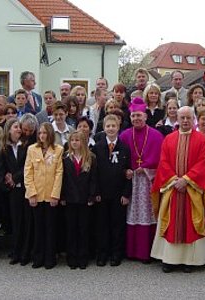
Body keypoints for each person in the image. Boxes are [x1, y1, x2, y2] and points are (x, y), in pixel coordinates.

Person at [150, 106, 205, 273]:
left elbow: (204, 162)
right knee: (171, 223)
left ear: (194, 119)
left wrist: (186, 180)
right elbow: (163, 163)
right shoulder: (168, 139)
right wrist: (175, 180)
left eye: (188, 118)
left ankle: (189, 261)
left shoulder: (202, 139)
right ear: (177, 119)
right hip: (173, 188)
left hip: (192, 190)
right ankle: (169, 260)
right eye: (182, 118)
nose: (185, 121)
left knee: (191, 223)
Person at [119, 99, 164, 263]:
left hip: (148, 182)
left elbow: (161, 161)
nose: (136, 118)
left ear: (145, 116)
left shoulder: (156, 135)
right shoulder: (124, 135)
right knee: (131, 214)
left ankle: (148, 252)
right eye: (133, 116)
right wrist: (126, 170)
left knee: (149, 214)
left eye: (139, 115)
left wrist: (144, 169)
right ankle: (131, 251)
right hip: (130, 182)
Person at [92, 115, 132, 267]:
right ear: (104, 128)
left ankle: (116, 254)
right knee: (102, 225)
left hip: (118, 194)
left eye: (113, 126)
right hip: (102, 194)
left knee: (117, 225)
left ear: (118, 127)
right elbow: (94, 173)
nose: (110, 129)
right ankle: (102, 253)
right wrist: (95, 192)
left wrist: (126, 194)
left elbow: (129, 172)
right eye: (108, 126)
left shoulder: (124, 148)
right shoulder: (97, 147)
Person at [24, 122, 64, 269]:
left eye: (45, 133)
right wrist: (31, 193)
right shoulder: (31, 149)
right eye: (40, 133)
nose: (42, 135)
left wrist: (55, 195)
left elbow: (59, 173)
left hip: (51, 195)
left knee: (50, 227)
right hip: (37, 194)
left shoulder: (58, 150)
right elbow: (28, 173)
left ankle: (50, 257)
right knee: (38, 227)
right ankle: (38, 256)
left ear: (50, 134)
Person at [0, 118, 33, 266]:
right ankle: (16, 251)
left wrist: (15, 178)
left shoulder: (27, 146)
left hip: (26, 188)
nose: (19, 129)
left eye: (19, 127)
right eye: (16, 127)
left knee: (27, 221)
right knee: (16, 221)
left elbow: (27, 166)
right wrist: (7, 182)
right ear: (9, 130)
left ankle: (26, 252)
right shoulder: (4, 148)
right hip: (13, 191)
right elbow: (1, 169)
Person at [61, 131, 97, 269]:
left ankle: (83, 256)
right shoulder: (65, 158)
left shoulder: (90, 158)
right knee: (71, 228)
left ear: (83, 142)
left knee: (83, 228)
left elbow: (93, 179)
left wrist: (91, 195)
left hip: (84, 199)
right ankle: (72, 256)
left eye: (77, 140)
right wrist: (63, 196)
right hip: (69, 199)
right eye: (72, 140)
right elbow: (63, 179)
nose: (75, 143)